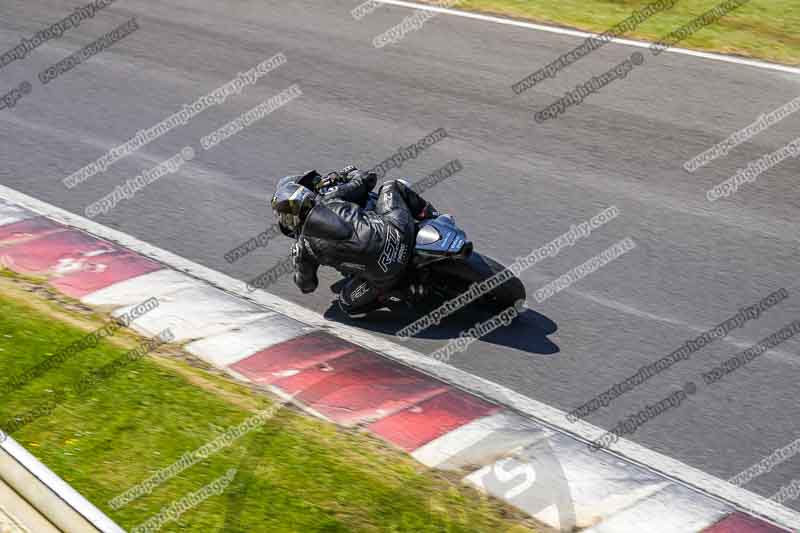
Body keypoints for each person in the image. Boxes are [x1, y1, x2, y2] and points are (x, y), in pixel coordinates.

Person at [271, 165, 439, 317]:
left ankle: (397, 292)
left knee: (346, 304)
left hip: (383, 277)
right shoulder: (331, 197)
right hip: (399, 232)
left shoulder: (303, 250)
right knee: (392, 186)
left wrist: (298, 268)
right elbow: (367, 179)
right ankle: (434, 219)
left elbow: (307, 286)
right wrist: (349, 173)